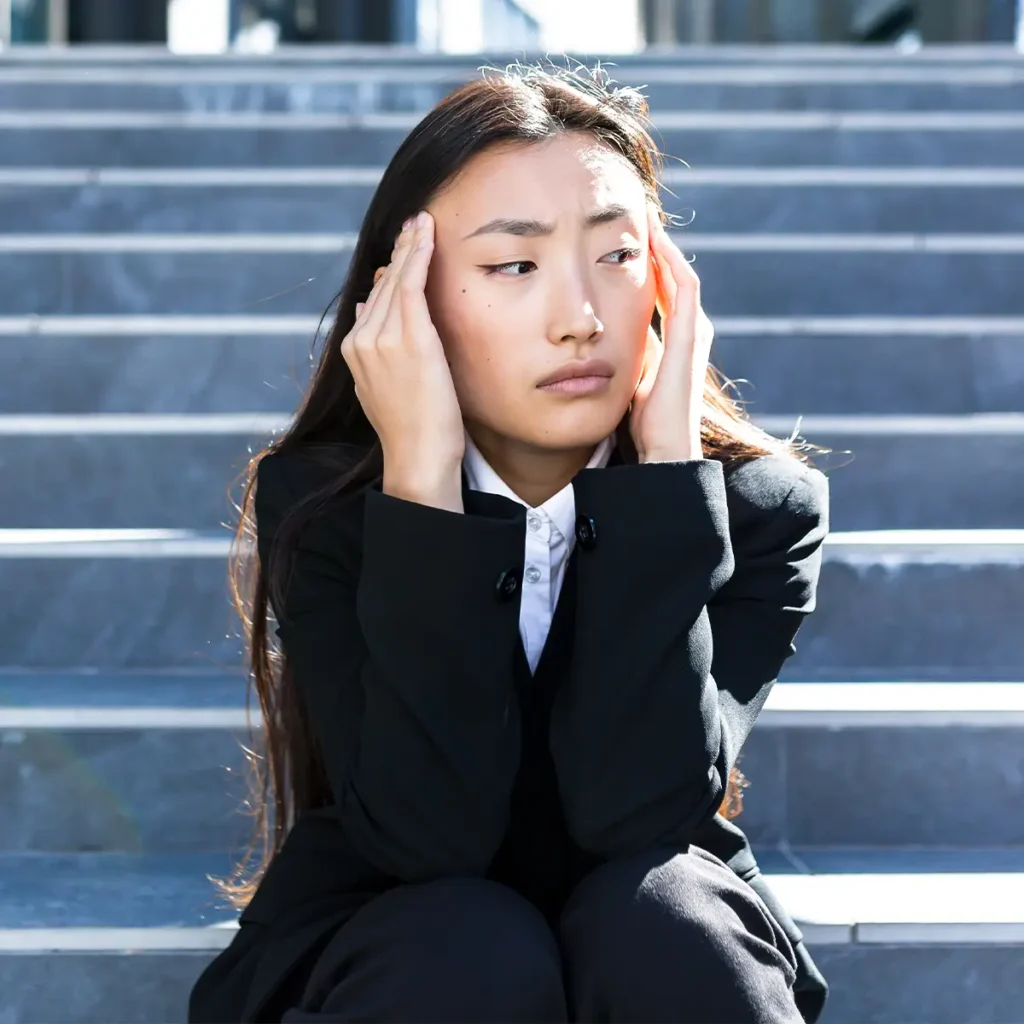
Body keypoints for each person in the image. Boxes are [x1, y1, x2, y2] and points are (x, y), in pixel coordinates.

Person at [188, 60, 831, 1024]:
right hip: (394, 939)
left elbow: (640, 814)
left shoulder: (758, 510)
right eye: (515, 265)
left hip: (659, 928)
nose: (580, 319)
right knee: (466, 944)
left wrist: (663, 481)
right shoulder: (327, 507)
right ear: (409, 301)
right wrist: (422, 488)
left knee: (663, 920)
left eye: (617, 257)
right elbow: (425, 838)